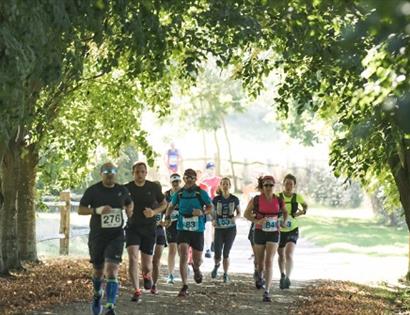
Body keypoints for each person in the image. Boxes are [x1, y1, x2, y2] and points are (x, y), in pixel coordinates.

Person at [78, 162, 133, 315]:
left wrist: (130, 211)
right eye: (107, 171)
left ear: (116, 173)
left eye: (113, 171)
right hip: (97, 236)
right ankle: (97, 295)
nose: (110, 173)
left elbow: (129, 203)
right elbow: (80, 209)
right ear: (101, 173)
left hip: (116, 236)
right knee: (98, 271)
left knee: (112, 270)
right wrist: (96, 210)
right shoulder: (93, 191)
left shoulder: (122, 190)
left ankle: (110, 306)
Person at [165, 168, 212, 297]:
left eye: (192, 177)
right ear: (184, 179)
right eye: (187, 177)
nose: (189, 180)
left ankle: (196, 268)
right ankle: (184, 285)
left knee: (197, 260)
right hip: (182, 227)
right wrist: (167, 217)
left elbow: (210, 207)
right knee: (183, 254)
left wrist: (202, 212)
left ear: (195, 179)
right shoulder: (179, 194)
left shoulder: (201, 193)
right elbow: (170, 206)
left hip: (197, 230)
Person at [125, 162, 167, 303]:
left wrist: (153, 212)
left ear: (146, 173)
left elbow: (164, 204)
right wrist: (126, 209)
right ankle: (137, 290)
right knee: (132, 257)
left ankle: (147, 276)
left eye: (143, 172)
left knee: (147, 265)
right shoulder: (127, 188)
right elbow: (118, 203)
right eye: (137, 172)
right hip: (132, 228)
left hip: (149, 229)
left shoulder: (153, 187)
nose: (140, 174)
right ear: (133, 173)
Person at [244, 175, 288, 302]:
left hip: (274, 232)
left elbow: (285, 212)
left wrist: (283, 221)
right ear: (262, 187)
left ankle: (267, 291)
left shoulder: (279, 200)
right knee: (260, 263)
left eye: (271, 185)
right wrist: (257, 220)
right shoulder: (256, 200)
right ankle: (259, 274)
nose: (268, 187)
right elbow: (246, 214)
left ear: (274, 186)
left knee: (269, 261)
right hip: (259, 232)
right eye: (266, 185)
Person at [277, 174, 308, 289]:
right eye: (286, 183)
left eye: (291, 184)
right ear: (283, 184)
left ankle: (288, 278)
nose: (288, 186)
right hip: (280, 229)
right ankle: (282, 274)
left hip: (292, 229)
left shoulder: (297, 197)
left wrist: (299, 213)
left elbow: (305, 207)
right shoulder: (277, 196)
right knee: (281, 254)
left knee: (288, 254)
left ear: (294, 185)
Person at [211, 177, 241, 283]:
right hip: (219, 228)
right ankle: (216, 265)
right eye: (223, 184)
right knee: (217, 253)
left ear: (230, 186)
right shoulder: (216, 199)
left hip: (230, 229)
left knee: (226, 253)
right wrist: (213, 220)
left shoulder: (234, 199)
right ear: (220, 185)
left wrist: (235, 218)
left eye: (227, 184)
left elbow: (239, 213)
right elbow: (212, 213)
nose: (225, 186)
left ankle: (225, 273)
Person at [200, 162, 221, 258]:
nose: (211, 170)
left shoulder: (218, 180)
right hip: (208, 205)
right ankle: (207, 248)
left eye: (213, 168)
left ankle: (214, 243)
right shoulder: (203, 181)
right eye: (209, 168)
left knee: (216, 227)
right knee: (208, 226)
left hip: (217, 205)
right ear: (206, 169)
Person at [164, 173, 182, 284]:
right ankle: (170, 274)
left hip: (182, 223)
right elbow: (163, 207)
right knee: (172, 249)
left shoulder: (184, 192)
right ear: (171, 183)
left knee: (182, 249)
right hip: (170, 223)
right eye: (173, 182)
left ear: (180, 182)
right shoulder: (166, 194)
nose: (175, 184)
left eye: (177, 182)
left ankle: (183, 270)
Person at [151, 181, 167, 295]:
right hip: (147, 233)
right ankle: (148, 278)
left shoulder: (163, 202)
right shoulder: (146, 201)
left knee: (156, 261)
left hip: (160, 233)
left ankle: (154, 285)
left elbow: (169, 216)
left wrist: (165, 222)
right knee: (147, 262)